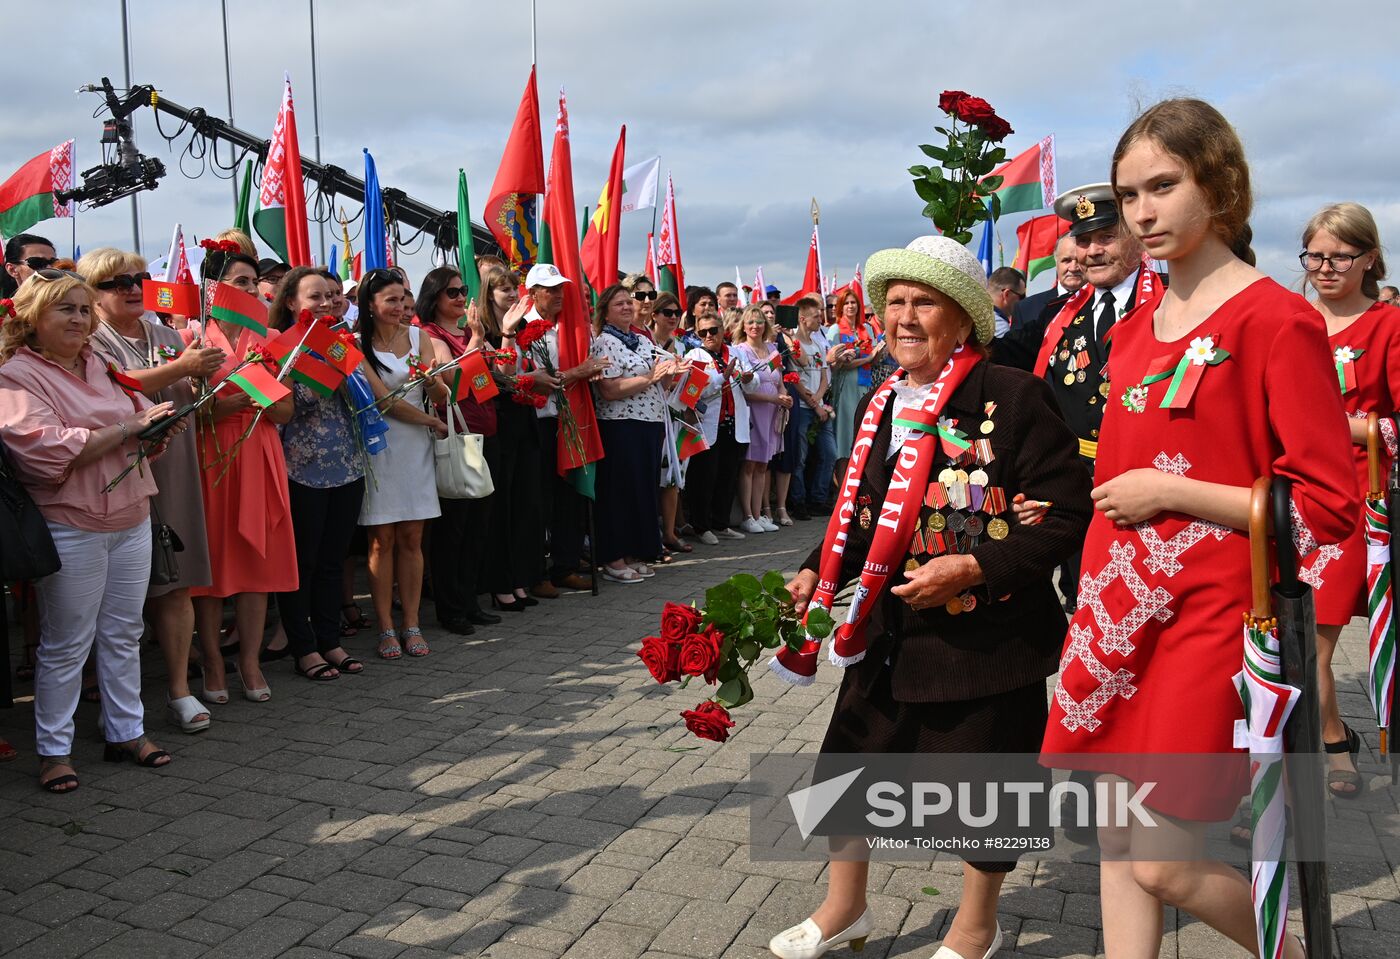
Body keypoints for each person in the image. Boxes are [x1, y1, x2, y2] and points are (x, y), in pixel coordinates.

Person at [1040, 98, 1356, 959]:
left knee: (1165, 862)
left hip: (1210, 616)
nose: (1142, 212)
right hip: (1113, 610)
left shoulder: (1274, 319)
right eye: (1128, 192)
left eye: (1163, 186)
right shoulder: (1137, 328)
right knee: (1114, 832)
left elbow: (1327, 501)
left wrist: (1170, 494)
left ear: (1219, 184)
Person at [771, 235, 1092, 959]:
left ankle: (977, 925)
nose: (905, 317)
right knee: (847, 769)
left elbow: (1066, 513)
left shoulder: (1012, 396)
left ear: (963, 320)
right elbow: (863, 513)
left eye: (925, 303)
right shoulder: (884, 399)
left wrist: (974, 568)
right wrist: (807, 569)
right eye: (896, 302)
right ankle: (845, 906)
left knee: (986, 792)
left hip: (987, 636)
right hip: (889, 628)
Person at [0, 269, 184, 791]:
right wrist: (128, 430)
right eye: (67, 310)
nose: (80, 320)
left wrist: (158, 425)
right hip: (71, 523)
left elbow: (138, 412)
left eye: (84, 310)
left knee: (124, 632)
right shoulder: (16, 375)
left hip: (131, 514)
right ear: (32, 318)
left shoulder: (100, 363)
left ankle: (126, 731)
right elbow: (46, 450)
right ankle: (54, 750)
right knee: (66, 643)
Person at [1002, 183, 1166, 613]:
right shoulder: (1057, 314)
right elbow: (996, 355)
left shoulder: (1175, 300)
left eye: (1106, 236)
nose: (1091, 250)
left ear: (1135, 235)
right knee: (1081, 596)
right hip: (1074, 492)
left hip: (1149, 492)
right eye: (1083, 238)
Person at [84, 247, 224, 732]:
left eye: (138, 278)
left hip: (177, 468)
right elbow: (121, 383)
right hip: (117, 470)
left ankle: (180, 689)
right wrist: (185, 366)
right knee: (112, 597)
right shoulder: (90, 340)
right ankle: (114, 701)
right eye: (116, 282)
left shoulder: (167, 334)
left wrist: (208, 377)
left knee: (177, 580)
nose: (131, 288)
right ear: (93, 294)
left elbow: (194, 398)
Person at [1293, 202, 1400, 801]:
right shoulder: (1287, 321)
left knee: (1309, 648)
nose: (1326, 268)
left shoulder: (1388, 328)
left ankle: (1310, 768)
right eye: (1315, 256)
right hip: (1277, 500)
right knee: (1272, 646)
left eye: (1341, 256)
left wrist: (1332, 422)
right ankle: (1334, 738)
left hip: (1348, 508)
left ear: (1369, 259)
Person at [191, 257, 299, 704]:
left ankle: (250, 660)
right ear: (214, 288)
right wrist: (231, 402)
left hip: (260, 450)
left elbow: (285, 412)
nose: (252, 289)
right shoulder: (192, 340)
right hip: (211, 455)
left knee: (258, 566)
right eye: (240, 281)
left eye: (255, 282)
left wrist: (263, 394)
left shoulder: (271, 340)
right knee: (213, 566)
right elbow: (191, 416)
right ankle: (213, 660)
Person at [270, 267, 367, 682]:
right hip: (301, 469)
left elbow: (363, 399)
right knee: (303, 563)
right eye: (315, 296)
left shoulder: (343, 341)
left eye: (331, 295)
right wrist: (326, 369)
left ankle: (330, 640)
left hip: (348, 464)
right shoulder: (279, 348)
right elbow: (288, 403)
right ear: (291, 302)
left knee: (333, 560)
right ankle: (303, 647)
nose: (326, 303)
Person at [356, 269, 448, 657]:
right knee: (382, 540)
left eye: (403, 299)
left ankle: (411, 622)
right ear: (371, 305)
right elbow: (382, 402)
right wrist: (430, 421)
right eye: (390, 300)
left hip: (417, 448)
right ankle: (385, 626)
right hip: (380, 446)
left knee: (412, 537)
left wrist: (433, 381)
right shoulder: (356, 345)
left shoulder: (419, 337)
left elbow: (439, 390)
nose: (399, 307)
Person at [517, 263, 609, 595]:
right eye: (550, 289)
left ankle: (565, 565)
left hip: (569, 419)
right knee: (539, 500)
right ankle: (535, 572)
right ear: (532, 293)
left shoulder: (567, 328)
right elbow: (538, 382)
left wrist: (590, 373)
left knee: (569, 494)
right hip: (540, 422)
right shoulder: (523, 330)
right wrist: (579, 372)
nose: (558, 295)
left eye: (560, 289)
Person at [420, 266, 501, 632]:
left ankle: (470, 600)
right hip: (456, 434)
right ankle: (450, 607)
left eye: (462, 290)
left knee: (479, 527)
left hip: (483, 430)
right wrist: (475, 342)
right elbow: (449, 381)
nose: (458, 297)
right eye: (451, 292)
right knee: (454, 529)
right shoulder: (432, 334)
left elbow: (480, 382)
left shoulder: (468, 332)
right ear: (434, 297)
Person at [590, 284, 676, 583]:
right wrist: (651, 376)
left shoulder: (642, 340)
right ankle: (613, 557)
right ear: (606, 310)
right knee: (619, 492)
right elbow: (610, 389)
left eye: (629, 302)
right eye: (619, 304)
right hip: (620, 425)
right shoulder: (604, 343)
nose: (627, 307)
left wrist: (672, 373)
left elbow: (657, 384)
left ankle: (631, 553)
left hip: (649, 423)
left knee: (641, 491)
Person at [477, 267, 544, 611]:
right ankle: (500, 582)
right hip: (499, 422)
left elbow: (523, 370)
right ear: (489, 294)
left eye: (514, 288)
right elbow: (501, 376)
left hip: (525, 420)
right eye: (504, 289)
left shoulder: (522, 329)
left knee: (525, 503)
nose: (511, 294)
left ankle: (520, 577)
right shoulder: (485, 331)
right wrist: (505, 336)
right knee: (501, 506)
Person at [682, 307, 753, 544]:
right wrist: (722, 377)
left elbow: (752, 383)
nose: (709, 336)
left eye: (713, 330)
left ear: (724, 330)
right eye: (703, 333)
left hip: (733, 424)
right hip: (708, 425)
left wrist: (749, 379)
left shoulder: (735, 352)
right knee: (704, 477)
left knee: (727, 475)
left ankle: (721, 523)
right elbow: (695, 389)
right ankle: (702, 526)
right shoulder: (694, 355)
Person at [733, 305, 790, 533]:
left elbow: (779, 381)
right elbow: (745, 390)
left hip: (772, 411)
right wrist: (775, 399)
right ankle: (747, 515)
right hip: (753, 410)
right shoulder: (740, 350)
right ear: (744, 326)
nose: (755, 326)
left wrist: (784, 397)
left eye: (759, 322)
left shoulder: (773, 350)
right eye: (750, 322)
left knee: (763, 464)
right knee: (749, 463)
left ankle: (758, 514)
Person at [778, 295, 834, 520]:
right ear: (802, 319)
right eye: (815, 316)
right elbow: (793, 377)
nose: (820, 319)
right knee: (800, 457)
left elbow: (823, 377)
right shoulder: (793, 346)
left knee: (828, 454)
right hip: (801, 407)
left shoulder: (818, 345)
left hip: (819, 407)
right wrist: (811, 402)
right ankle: (798, 501)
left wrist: (819, 401)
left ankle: (818, 499)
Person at [650, 290, 694, 556]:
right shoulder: (648, 341)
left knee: (673, 476)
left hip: (675, 414)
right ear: (654, 315)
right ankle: (654, 531)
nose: (673, 318)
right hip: (654, 413)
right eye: (668, 312)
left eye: (677, 313)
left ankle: (669, 531)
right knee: (657, 474)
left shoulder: (679, 345)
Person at [828, 287, 877, 480]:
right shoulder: (835, 330)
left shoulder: (865, 330)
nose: (850, 306)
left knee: (860, 436)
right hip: (846, 386)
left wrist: (878, 352)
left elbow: (872, 359)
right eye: (846, 303)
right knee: (845, 436)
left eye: (853, 302)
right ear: (841, 307)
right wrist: (868, 358)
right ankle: (841, 487)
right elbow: (838, 364)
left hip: (864, 385)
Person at [1009, 233, 1084, 333]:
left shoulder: (1105, 302)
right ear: (1056, 263)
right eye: (1066, 260)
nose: (1073, 268)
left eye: (1079, 260)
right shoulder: (1026, 309)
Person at [987, 266, 1026, 338]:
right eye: (1022, 296)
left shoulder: (968, 313)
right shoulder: (1002, 330)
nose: (1024, 301)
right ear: (1006, 294)